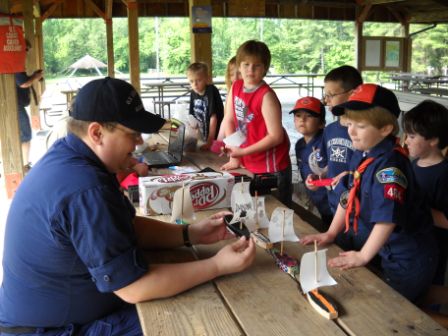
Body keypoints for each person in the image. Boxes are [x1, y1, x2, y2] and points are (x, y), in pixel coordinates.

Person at [0, 77, 256, 335]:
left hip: (48, 317)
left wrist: (191, 233)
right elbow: (133, 287)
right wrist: (217, 265)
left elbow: (124, 226)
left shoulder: (72, 155)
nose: (138, 144)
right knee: (199, 317)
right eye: (132, 134)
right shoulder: (85, 188)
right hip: (50, 330)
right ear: (97, 133)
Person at [301, 84, 438, 303]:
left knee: (401, 309)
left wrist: (363, 256)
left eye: (361, 126)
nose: (351, 131)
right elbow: (349, 195)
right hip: (388, 249)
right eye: (349, 123)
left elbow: (387, 219)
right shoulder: (363, 153)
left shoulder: (390, 167)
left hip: (407, 255)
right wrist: (330, 233)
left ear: (385, 129)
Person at [220, 40, 292, 206]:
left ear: (265, 68)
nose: (250, 70)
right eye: (246, 64)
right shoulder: (236, 86)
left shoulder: (266, 96)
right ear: (238, 65)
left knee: (278, 214)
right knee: (251, 211)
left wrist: (242, 152)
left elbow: (276, 137)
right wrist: (234, 156)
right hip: (248, 162)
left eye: (257, 65)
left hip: (272, 168)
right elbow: (229, 119)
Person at [402, 100, 448, 286]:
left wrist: (414, 205)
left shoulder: (444, 173)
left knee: (428, 294)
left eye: (412, 137)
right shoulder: (413, 164)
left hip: (433, 251)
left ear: (433, 140)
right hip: (411, 246)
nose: (405, 141)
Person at [307, 65, 363, 214]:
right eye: (325, 95)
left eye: (331, 95)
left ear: (352, 95)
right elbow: (329, 166)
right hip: (334, 202)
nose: (326, 101)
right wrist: (319, 178)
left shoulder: (363, 134)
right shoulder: (330, 130)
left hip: (357, 205)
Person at [291, 96, 332, 227]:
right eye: (298, 115)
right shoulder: (299, 145)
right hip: (318, 203)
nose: (302, 119)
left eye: (309, 116)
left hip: (333, 204)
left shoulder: (327, 142)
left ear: (321, 123)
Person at [15, 40, 43, 168]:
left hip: (14, 105)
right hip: (14, 106)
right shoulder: (14, 62)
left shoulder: (13, 62)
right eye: (25, 49)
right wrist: (35, 77)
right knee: (25, 135)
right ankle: (24, 166)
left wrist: (33, 76)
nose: (26, 53)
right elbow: (23, 83)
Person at [187, 62, 224, 150]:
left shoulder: (211, 91)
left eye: (198, 80)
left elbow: (213, 118)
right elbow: (192, 118)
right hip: (202, 137)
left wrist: (209, 142)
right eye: (191, 81)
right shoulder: (193, 93)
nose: (195, 84)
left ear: (207, 79)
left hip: (216, 138)